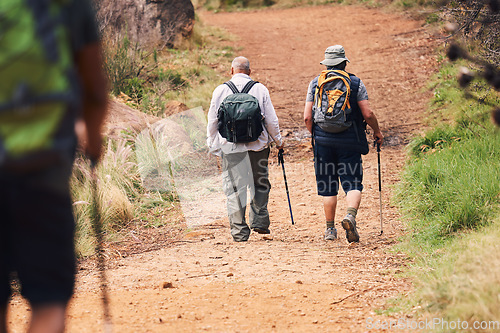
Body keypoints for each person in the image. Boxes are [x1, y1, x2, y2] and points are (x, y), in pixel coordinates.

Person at [0, 1, 108, 332]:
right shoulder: (70, 5)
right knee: (49, 301)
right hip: (43, 171)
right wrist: (92, 138)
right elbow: (94, 88)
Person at [303, 45, 383, 243]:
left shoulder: (315, 83)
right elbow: (368, 114)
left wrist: (317, 135)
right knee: (353, 183)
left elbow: (307, 117)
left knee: (328, 187)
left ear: (326, 63)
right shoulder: (355, 83)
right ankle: (350, 216)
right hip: (350, 142)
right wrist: (377, 131)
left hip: (323, 143)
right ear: (344, 62)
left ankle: (330, 230)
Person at [207, 56, 284, 242]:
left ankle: (239, 232)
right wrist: (278, 141)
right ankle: (259, 221)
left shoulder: (221, 90)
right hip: (258, 146)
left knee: (235, 189)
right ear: (249, 71)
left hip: (231, 148)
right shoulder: (260, 89)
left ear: (231, 71)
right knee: (260, 183)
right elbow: (271, 121)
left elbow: (213, 121)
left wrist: (212, 145)